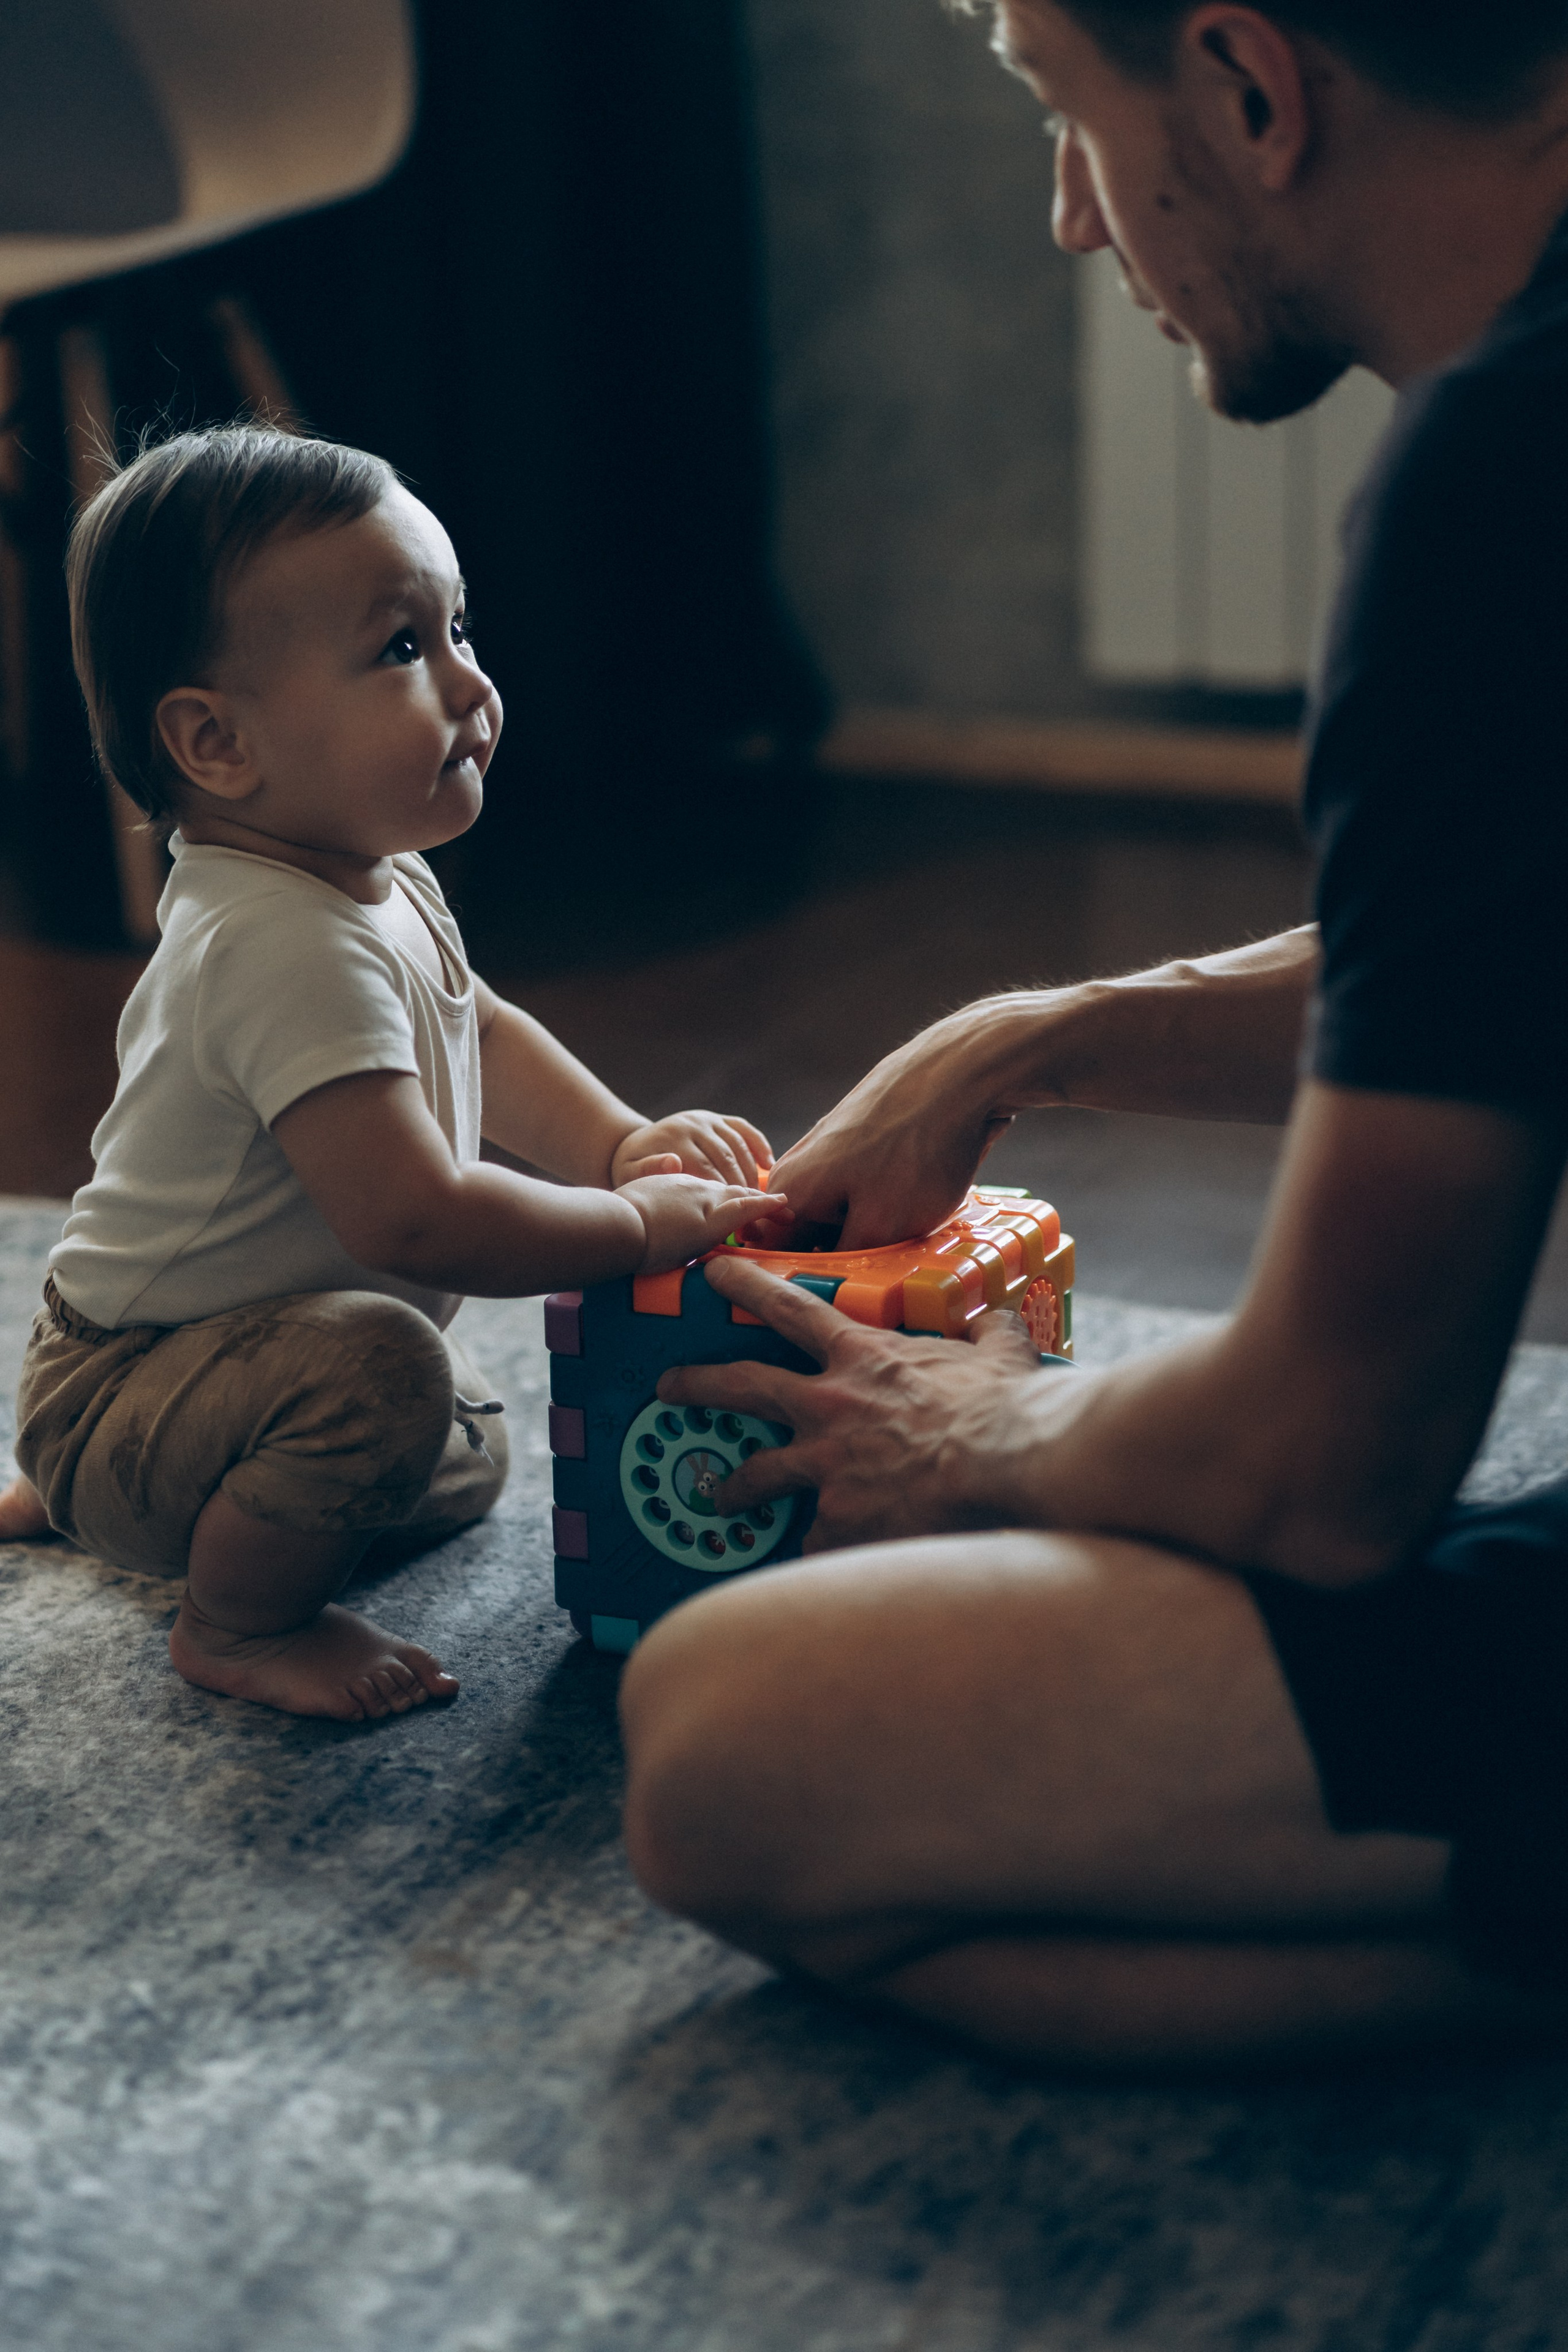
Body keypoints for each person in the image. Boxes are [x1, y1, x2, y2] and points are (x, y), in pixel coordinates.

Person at [617, 0, 1568, 2070]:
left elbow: (1327, 1469)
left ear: (1247, 84)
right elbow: (1523, 931)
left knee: (723, 1747)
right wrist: (1032, 1038)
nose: (1070, 217)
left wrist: (990, 1431)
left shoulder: (1504, 489)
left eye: (1065, 113)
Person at [0, 427, 777, 1727]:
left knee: (461, 1443)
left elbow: (473, 1028)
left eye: (459, 627)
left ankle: (121, 1500)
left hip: (213, 1367)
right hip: (130, 1378)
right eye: (401, 650)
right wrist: (634, 1227)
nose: (471, 687)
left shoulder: (365, 866)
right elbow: (414, 1219)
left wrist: (613, 1146)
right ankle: (231, 1621)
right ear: (216, 743)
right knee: (384, 1376)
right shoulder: (274, 944)